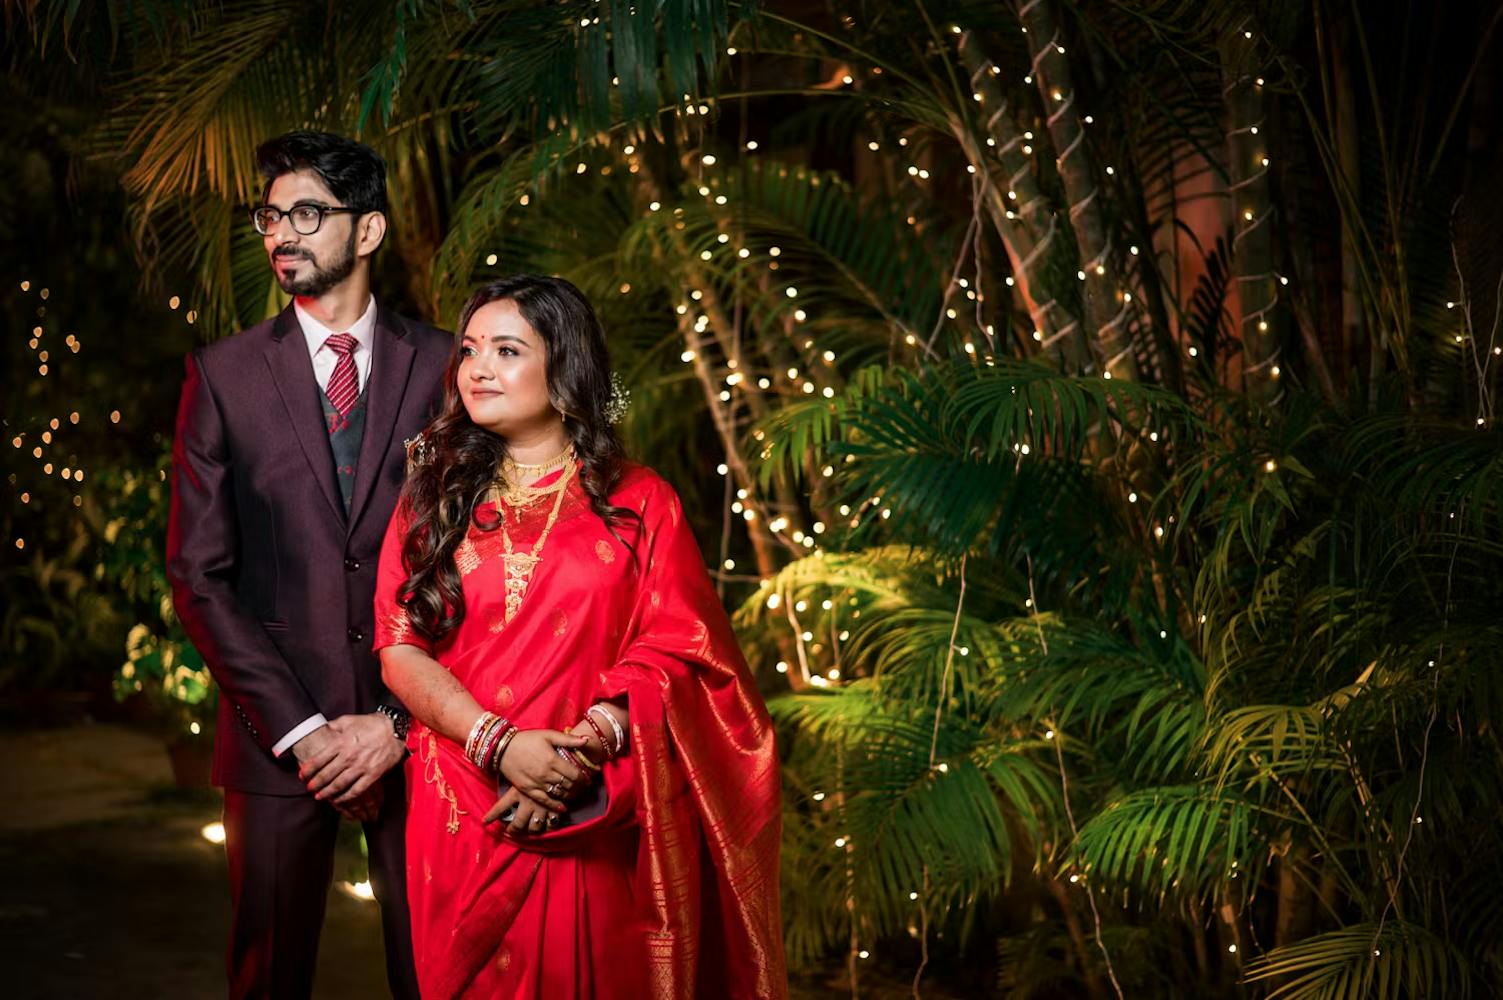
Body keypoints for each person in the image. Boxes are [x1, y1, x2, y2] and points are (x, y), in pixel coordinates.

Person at [373, 274, 786, 998]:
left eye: (506, 350)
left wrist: (573, 756)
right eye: (470, 349)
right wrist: (499, 746)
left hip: (588, 803)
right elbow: (399, 645)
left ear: (564, 368)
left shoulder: (639, 500)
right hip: (462, 807)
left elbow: (682, 650)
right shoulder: (430, 496)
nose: (477, 367)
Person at [167, 130, 451, 999]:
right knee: (268, 979)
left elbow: (474, 554)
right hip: (276, 742)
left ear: (366, 232)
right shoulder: (222, 377)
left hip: (421, 736)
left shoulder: (446, 366)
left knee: (435, 973)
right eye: (270, 215)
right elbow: (199, 574)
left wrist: (397, 725)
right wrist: (306, 732)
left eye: (305, 213)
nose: (280, 233)